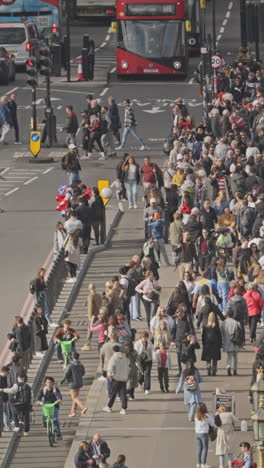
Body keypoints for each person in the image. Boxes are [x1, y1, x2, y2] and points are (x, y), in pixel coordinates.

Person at [103, 344, 129, 414]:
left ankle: (109, 407)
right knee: (123, 393)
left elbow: (110, 368)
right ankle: (124, 408)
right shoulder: (124, 358)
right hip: (123, 378)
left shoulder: (113, 358)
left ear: (113, 351)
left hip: (115, 378)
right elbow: (127, 367)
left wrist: (110, 376)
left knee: (113, 393)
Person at [60, 352, 87, 417]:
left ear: (72, 357)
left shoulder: (70, 365)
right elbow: (83, 373)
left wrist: (61, 381)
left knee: (74, 398)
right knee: (75, 397)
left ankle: (83, 407)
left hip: (72, 383)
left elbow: (66, 374)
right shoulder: (81, 365)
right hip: (79, 382)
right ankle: (73, 412)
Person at [36, 376, 62, 440]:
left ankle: (58, 433)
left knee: (55, 420)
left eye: (50, 382)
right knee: (43, 417)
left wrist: (59, 399)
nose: (49, 384)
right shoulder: (43, 390)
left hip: (54, 406)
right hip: (46, 406)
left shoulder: (55, 389)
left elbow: (58, 395)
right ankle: (45, 423)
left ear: (53, 383)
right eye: (47, 382)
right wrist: (38, 401)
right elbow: (39, 396)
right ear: (45, 383)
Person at [82, 283, 103, 351]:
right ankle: (101, 341)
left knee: (90, 330)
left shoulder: (90, 296)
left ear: (90, 289)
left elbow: (90, 307)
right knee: (100, 329)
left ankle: (87, 344)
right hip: (99, 314)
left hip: (93, 315)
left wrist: (90, 316)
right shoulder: (99, 295)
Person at [221, 309, 241, 376]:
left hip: (227, 341)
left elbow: (222, 334)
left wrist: (222, 343)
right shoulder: (236, 322)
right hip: (235, 341)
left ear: (227, 314)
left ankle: (228, 367)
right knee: (235, 357)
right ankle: (235, 370)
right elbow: (240, 333)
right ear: (233, 315)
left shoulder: (223, 323)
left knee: (229, 356)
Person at [195, 403, 215, 468]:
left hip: (197, 433)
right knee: (205, 448)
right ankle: (204, 464)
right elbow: (213, 424)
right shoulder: (206, 415)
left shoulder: (196, 415)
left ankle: (198, 463)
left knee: (199, 448)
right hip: (204, 433)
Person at [201, 312, 222, 376]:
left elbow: (203, 336)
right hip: (215, 344)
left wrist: (203, 344)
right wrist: (220, 344)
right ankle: (214, 370)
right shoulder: (216, 327)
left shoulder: (205, 327)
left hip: (207, 344)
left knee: (208, 359)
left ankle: (208, 368)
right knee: (215, 359)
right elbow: (219, 336)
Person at [0, 366, 12, 431]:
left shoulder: (4, 378)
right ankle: (7, 426)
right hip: (2, 399)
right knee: (5, 413)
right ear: (4, 371)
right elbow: (2, 390)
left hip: (4, 398)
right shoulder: (1, 379)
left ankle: (8, 426)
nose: (8, 374)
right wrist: (4, 400)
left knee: (5, 413)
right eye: (7, 372)